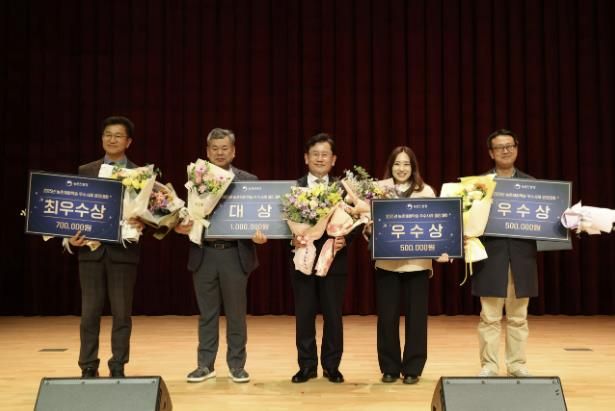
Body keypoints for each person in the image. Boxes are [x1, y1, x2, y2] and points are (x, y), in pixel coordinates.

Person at [175, 128, 266, 384]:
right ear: (207, 152)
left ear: (233, 151)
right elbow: (188, 214)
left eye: (224, 148)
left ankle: (237, 365)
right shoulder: (196, 178)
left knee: (236, 315)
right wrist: (181, 225)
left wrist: (260, 234)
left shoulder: (248, 180)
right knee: (207, 315)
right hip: (204, 253)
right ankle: (205, 365)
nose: (219, 153)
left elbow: (259, 217)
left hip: (234, 254)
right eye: (214, 148)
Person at [68, 116, 144, 378]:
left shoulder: (141, 174)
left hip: (123, 253)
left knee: (122, 314)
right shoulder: (85, 170)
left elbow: (152, 214)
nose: (112, 139)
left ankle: (118, 364)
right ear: (102, 138)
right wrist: (69, 239)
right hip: (90, 252)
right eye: (108, 134)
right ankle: (88, 365)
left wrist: (144, 222)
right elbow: (73, 209)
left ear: (128, 142)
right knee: (89, 313)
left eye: (118, 135)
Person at [369, 146, 448, 385]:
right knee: (387, 318)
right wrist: (369, 228)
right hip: (387, 264)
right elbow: (368, 227)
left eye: (406, 164)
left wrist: (444, 248)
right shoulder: (379, 190)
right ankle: (390, 368)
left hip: (417, 265)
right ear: (390, 166)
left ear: (413, 167)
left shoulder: (426, 191)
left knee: (416, 319)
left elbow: (439, 224)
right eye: (397, 164)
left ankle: (413, 368)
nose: (401, 168)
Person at [290, 132, 358, 384]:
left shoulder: (344, 189)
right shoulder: (294, 188)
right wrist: (293, 239)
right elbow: (283, 224)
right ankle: (306, 366)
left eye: (325, 154)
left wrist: (346, 239)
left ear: (333, 159)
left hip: (334, 260)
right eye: (315, 154)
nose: (320, 159)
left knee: (333, 315)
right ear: (306, 158)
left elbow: (358, 219)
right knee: (304, 316)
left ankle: (332, 366)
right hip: (303, 259)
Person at [472, 129, 537, 377]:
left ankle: (517, 364)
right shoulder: (479, 185)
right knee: (489, 316)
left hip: (522, 258)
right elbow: (468, 220)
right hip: (491, 257)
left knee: (518, 317)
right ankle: (489, 365)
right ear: (491, 153)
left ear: (516, 148)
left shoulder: (532, 185)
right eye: (500, 147)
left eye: (510, 146)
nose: (506, 151)